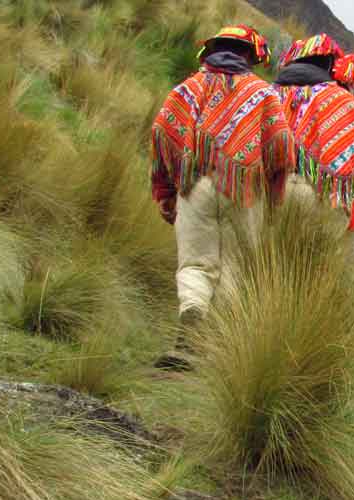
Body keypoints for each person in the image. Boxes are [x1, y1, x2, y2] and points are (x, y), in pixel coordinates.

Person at [150, 25, 293, 370]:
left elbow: (161, 134)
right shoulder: (263, 94)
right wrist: (274, 196)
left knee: (196, 263)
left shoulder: (186, 90)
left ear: (213, 51)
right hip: (245, 190)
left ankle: (193, 315)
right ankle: (218, 349)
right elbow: (282, 148)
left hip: (194, 186)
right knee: (236, 266)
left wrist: (166, 192)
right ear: (249, 55)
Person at [272, 38, 354, 278]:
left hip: (272, 191)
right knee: (322, 266)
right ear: (329, 63)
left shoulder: (269, 93)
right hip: (325, 195)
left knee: (278, 262)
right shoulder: (339, 101)